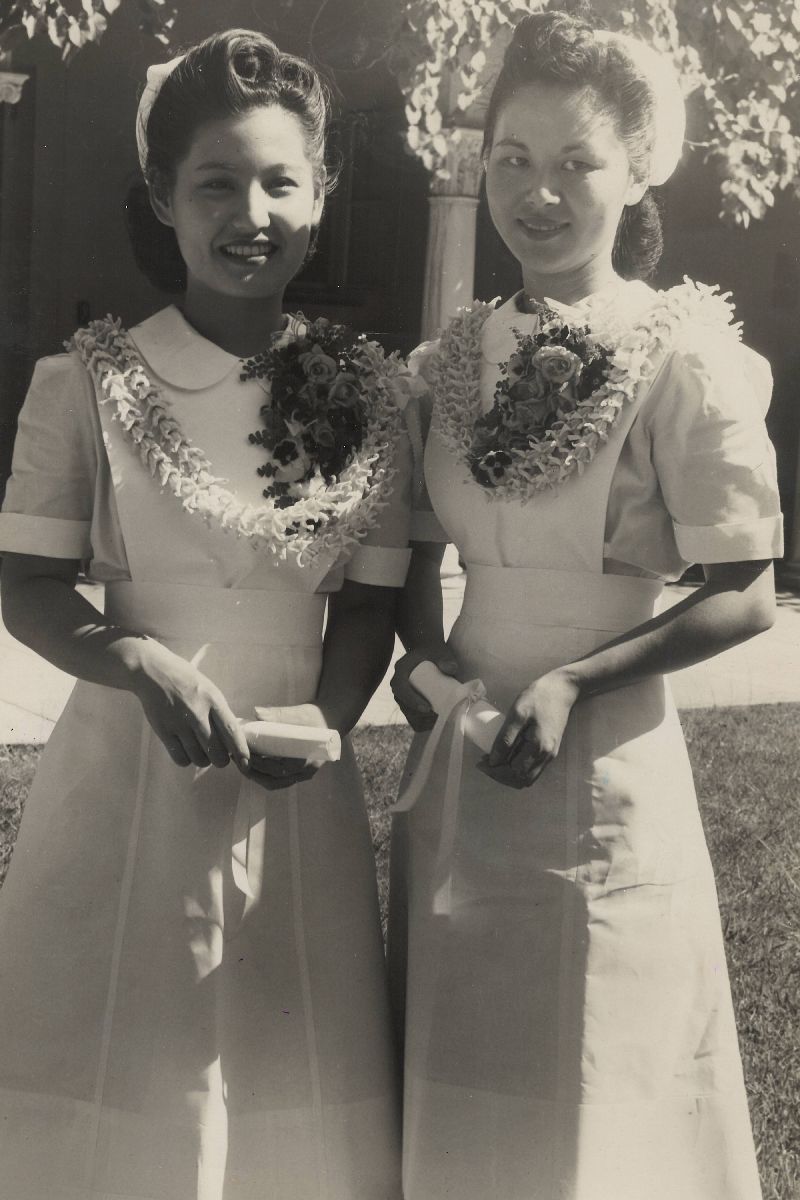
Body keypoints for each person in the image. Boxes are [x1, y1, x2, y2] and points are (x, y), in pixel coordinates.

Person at [0, 30, 410, 1200]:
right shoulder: (85, 381)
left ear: (320, 194)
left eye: (280, 181)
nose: (251, 213)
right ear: (162, 199)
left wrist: (327, 717)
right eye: (216, 184)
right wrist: (135, 661)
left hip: (295, 775)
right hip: (129, 760)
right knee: (130, 1055)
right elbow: (26, 585)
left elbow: (368, 603)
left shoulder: (371, 394)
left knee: (284, 1060)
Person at [388, 12, 783, 1200]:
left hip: (605, 760)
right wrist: (428, 670)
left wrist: (571, 682)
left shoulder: (681, 355)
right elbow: (409, 558)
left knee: (593, 1075)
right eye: (512, 159)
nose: (538, 193)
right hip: (463, 757)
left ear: (637, 168)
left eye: (575, 161)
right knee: (463, 1070)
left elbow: (743, 595)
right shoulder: (447, 362)